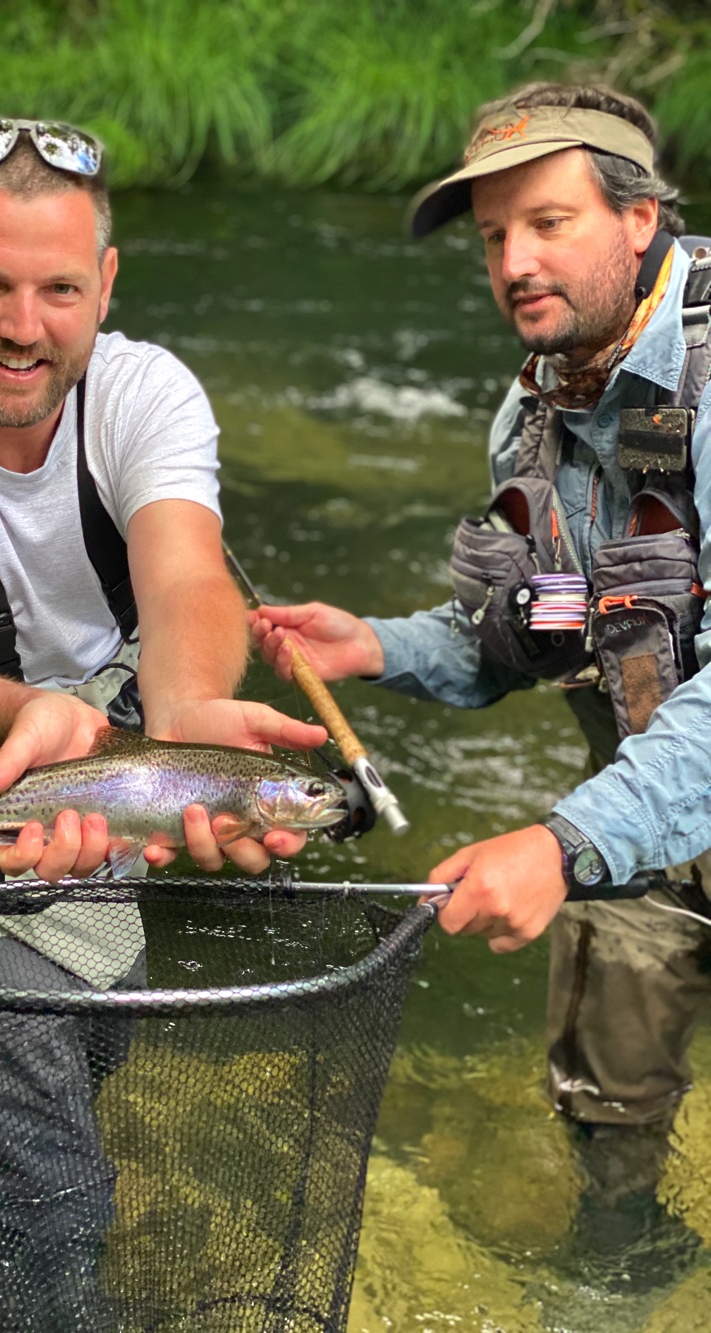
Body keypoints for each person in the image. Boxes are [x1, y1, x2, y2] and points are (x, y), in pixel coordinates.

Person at [0, 117, 327, 1326]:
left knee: (34, 1099)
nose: (24, 327)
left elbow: (186, 577)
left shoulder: (143, 390)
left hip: (94, 836)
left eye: (58, 289)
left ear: (107, 284)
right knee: (50, 1195)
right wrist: (33, 715)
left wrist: (184, 724)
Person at [253, 82, 711, 1277]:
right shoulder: (531, 410)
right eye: (493, 235)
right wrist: (382, 645)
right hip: (643, 817)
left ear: (639, 217)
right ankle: (623, 1253)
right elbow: (546, 626)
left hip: (633, 804)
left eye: (547, 221)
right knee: (606, 1098)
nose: (515, 260)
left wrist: (557, 844)